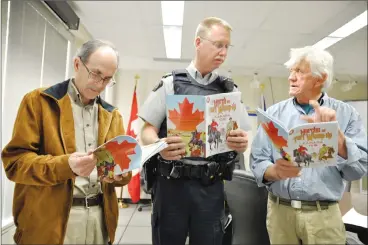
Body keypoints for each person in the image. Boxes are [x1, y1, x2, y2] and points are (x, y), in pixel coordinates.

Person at [1, 40, 132, 244]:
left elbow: (123, 174)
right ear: (77, 64)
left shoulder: (112, 115)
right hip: (51, 222)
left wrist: (120, 175)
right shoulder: (39, 102)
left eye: (107, 79)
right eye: (95, 74)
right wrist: (66, 165)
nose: (100, 84)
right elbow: (15, 164)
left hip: (100, 220)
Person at [138, 17, 251, 245]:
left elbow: (241, 135)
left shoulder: (229, 91)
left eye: (227, 46)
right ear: (198, 42)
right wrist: (161, 147)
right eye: (218, 44)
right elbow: (147, 130)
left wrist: (241, 142)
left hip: (211, 188)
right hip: (171, 186)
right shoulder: (170, 84)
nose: (223, 52)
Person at [250, 46, 367, 245]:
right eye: (290, 71)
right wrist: (275, 171)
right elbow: (257, 161)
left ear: (320, 78)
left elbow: (359, 170)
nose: (291, 77)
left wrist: (337, 139)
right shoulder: (273, 113)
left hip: (322, 217)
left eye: (299, 72)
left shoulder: (346, 114)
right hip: (280, 215)